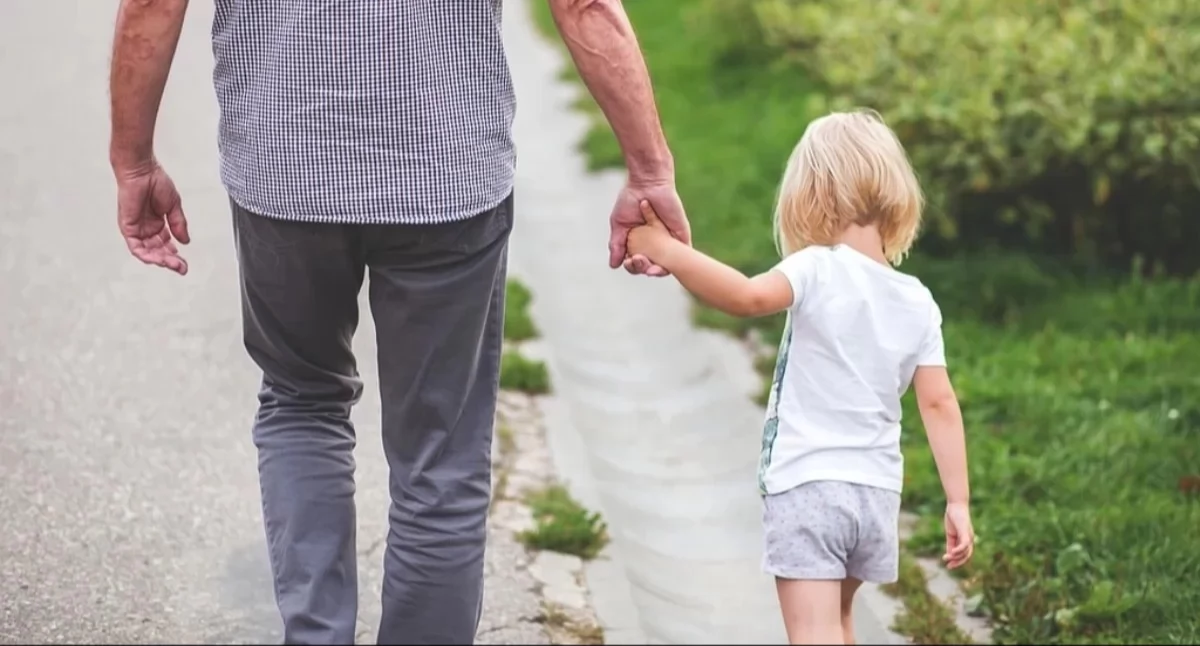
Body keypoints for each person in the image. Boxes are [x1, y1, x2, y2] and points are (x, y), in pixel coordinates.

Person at [107, 0, 690, 643]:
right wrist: (649, 167)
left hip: (285, 171)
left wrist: (133, 160)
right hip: (447, 173)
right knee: (441, 457)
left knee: (302, 403)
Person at [626, 109, 974, 645]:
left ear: (811, 196)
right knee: (838, 623)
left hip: (809, 487)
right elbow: (939, 405)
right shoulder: (918, 301)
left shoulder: (817, 267)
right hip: (876, 495)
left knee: (813, 632)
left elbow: (746, 297)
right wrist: (959, 502)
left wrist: (669, 250)